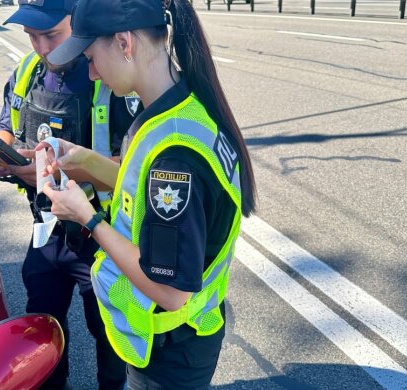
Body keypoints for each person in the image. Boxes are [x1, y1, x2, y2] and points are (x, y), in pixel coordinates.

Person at [38, 0, 257, 388]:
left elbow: (170, 292)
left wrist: (87, 217)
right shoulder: (177, 107)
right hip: (178, 339)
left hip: (171, 350)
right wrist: (85, 160)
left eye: (90, 57)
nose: (90, 74)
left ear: (124, 43)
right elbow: (141, 190)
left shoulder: (175, 158)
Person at [0, 0, 142, 388]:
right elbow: (9, 122)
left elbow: (135, 168)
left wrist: (55, 171)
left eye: (51, 34)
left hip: (100, 235)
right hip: (47, 229)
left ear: (78, 20)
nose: (41, 47)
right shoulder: (27, 71)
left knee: (108, 334)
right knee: (42, 330)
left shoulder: (109, 76)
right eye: (31, 36)